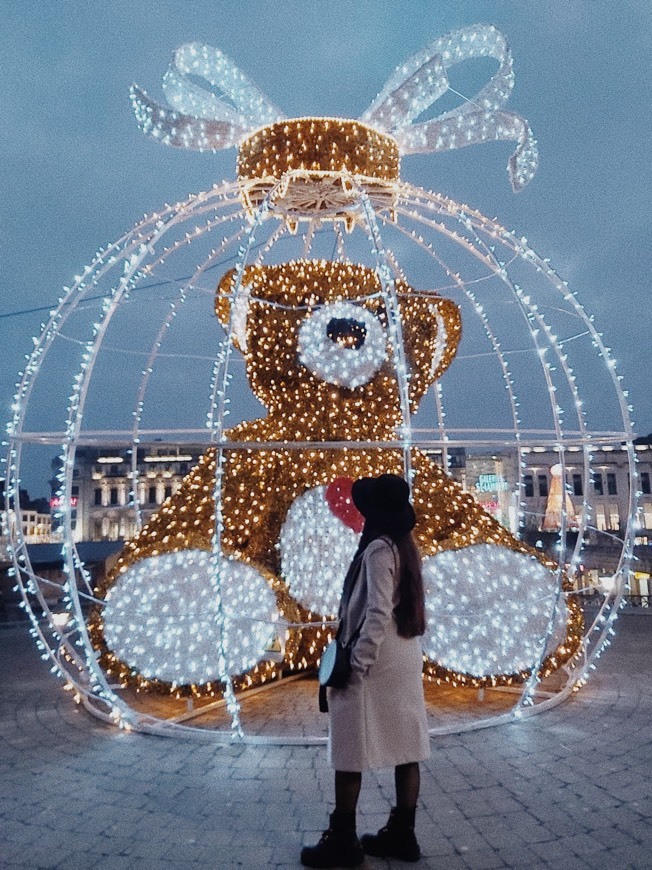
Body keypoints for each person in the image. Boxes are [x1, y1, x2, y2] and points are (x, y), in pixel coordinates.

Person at [301, 473, 430, 868]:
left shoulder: (376, 549)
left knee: (348, 748)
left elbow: (376, 611)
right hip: (404, 656)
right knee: (407, 748)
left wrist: (357, 664)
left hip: (376, 663)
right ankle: (403, 835)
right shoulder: (404, 547)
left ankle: (343, 840)